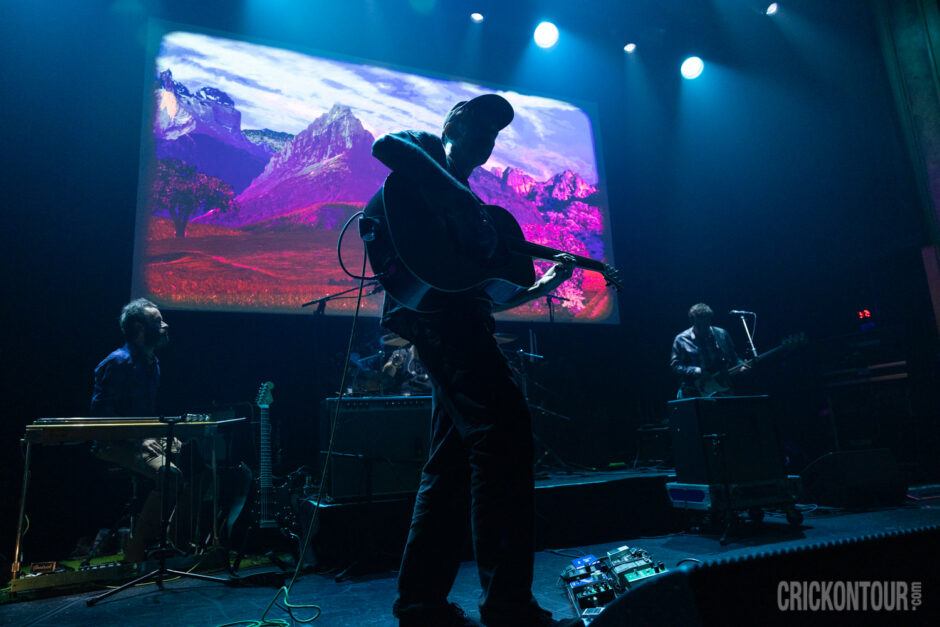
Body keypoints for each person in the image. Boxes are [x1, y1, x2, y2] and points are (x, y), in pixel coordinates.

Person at [368, 95, 582, 627]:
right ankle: (507, 603)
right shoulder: (425, 157)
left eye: (494, 134)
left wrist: (539, 288)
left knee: (451, 462)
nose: (488, 141)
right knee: (505, 431)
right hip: (440, 324)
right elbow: (384, 145)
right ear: (453, 125)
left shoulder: (471, 213)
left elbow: (479, 293)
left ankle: (421, 602)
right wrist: (459, 199)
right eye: (480, 128)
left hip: (458, 316)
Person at [90, 298, 178, 562]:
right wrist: (138, 441)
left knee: (199, 464)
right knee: (170, 475)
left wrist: (165, 436)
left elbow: (147, 416)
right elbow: (102, 415)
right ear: (140, 327)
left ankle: (177, 541)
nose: (165, 325)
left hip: (140, 439)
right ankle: (137, 550)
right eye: (157, 321)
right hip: (113, 444)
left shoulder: (153, 363)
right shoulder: (117, 362)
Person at [670, 302, 749, 398]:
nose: (703, 327)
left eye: (706, 323)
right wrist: (698, 371)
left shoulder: (721, 334)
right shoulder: (681, 339)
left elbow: (734, 358)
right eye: (699, 324)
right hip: (694, 392)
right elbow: (675, 366)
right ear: (692, 321)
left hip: (722, 390)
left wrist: (741, 366)